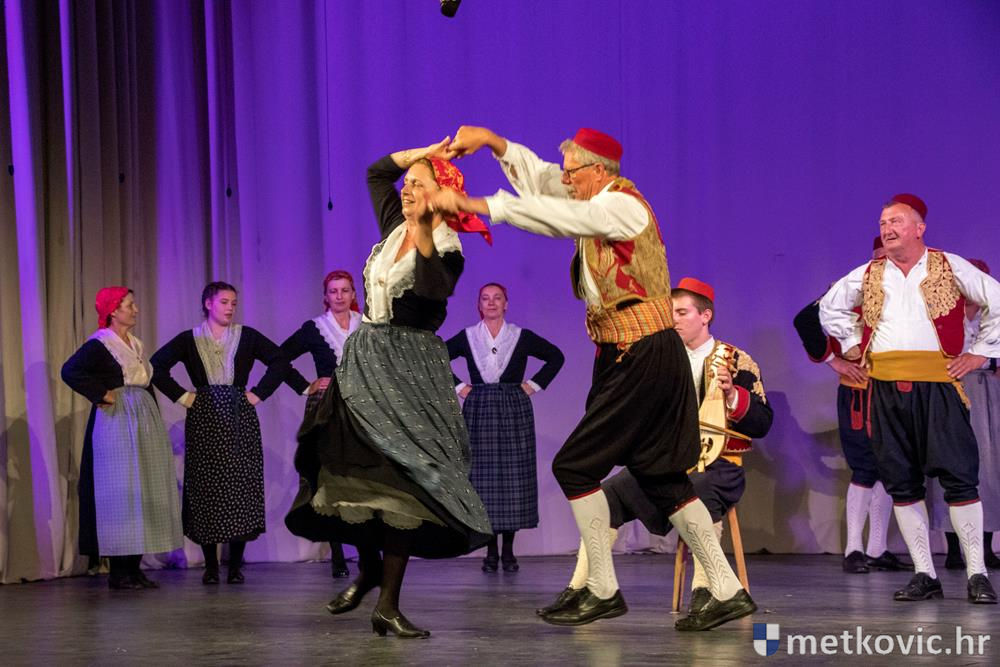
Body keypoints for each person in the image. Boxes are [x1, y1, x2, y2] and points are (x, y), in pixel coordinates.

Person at [432, 126, 755, 630]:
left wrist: (477, 204)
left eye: (572, 172)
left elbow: (562, 216)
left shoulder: (623, 207)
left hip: (643, 352)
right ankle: (727, 589)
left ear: (598, 171)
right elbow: (544, 184)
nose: (564, 180)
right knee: (660, 475)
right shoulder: (592, 194)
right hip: (622, 353)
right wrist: (494, 144)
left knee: (574, 467)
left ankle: (602, 587)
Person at [284, 138, 493, 639]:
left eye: (418, 185)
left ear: (439, 197)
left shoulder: (448, 249)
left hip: (410, 371)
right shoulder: (393, 224)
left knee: (404, 483)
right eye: (409, 183)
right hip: (365, 363)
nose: (406, 190)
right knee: (356, 469)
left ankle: (388, 604)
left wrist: (426, 227)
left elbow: (431, 291)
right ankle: (370, 569)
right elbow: (376, 172)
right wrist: (426, 153)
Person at [543, 278, 772, 615]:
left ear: (705, 316)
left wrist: (732, 396)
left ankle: (707, 591)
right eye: (670, 313)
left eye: (682, 313)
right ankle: (582, 586)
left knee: (699, 493)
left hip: (718, 465)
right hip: (666, 461)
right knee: (608, 496)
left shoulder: (736, 361)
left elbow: (762, 423)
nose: (674, 320)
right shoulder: (660, 358)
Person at [819, 193, 1000, 604]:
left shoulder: (949, 265)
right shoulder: (868, 273)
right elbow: (829, 309)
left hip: (938, 386)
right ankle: (924, 573)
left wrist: (981, 353)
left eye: (896, 221)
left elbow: (996, 300)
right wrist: (851, 343)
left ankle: (977, 572)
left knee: (959, 477)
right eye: (883, 222)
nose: (887, 228)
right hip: (885, 389)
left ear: (919, 228)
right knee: (901, 481)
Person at [150, 281, 292, 585]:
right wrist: (182, 396)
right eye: (224, 302)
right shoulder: (190, 339)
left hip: (239, 416)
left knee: (239, 486)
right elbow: (156, 367)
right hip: (204, 417)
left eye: (233, 303)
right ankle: (211, 566)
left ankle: (235, 565)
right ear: (208, 304)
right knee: (207, 487)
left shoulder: (246, 336)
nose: (230, 308)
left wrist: (258, 393)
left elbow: (280, 360)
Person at [793, 237, 911, 574]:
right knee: (865, 468)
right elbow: (806, 320)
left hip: (895, 391)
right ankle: (854, 549)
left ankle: (877, 548)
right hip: (861, 393)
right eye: (882, 256)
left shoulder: (908, 291)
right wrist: (834, 360)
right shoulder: (850, 288)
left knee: (890, 469)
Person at [61, 287, 182, 589]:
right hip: (117, 420)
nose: (135, 309)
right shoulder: (100, 343)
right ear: (113, 310)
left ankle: (134, 568)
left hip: (142, 417)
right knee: (121, 492)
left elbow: (147, 382)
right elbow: (70, 371)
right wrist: (101, 393)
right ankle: (118, 572)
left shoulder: (136, 344)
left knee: (143, 487)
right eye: (129, 305)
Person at [447, 282, 565, 573]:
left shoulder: (520, 336)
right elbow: (434, 359)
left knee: (512, 477)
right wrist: (460, 387)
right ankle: (490, 551)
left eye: (497, 298)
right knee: (483, 478)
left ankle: (509, 551)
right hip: (479, 407)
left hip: (513, 406)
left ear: (506, 304)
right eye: (485, 298)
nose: (491, 303)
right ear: (479, 305)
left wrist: (533, 385)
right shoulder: (468, 336)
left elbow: (556, 356)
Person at [281, 269, 363, 579]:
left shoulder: (366, 325)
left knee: (360, 477)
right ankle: (337, 553)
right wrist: (306, 386)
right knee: (328, 476)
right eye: (334, 291)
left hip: (361, 406)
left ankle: (366, 549)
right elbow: (279, 357)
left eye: (345, 290)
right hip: (326, 406)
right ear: (326, 296)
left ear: (353, 294)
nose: (339, 296)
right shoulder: (315, 328)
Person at [926, 258, 1000, 571]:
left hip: (986, 390)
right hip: (950, 387)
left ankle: (986, 547)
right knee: (950, 461)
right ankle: (954, 549)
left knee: (988, 466)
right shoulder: (945, 315)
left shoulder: (992, 316)